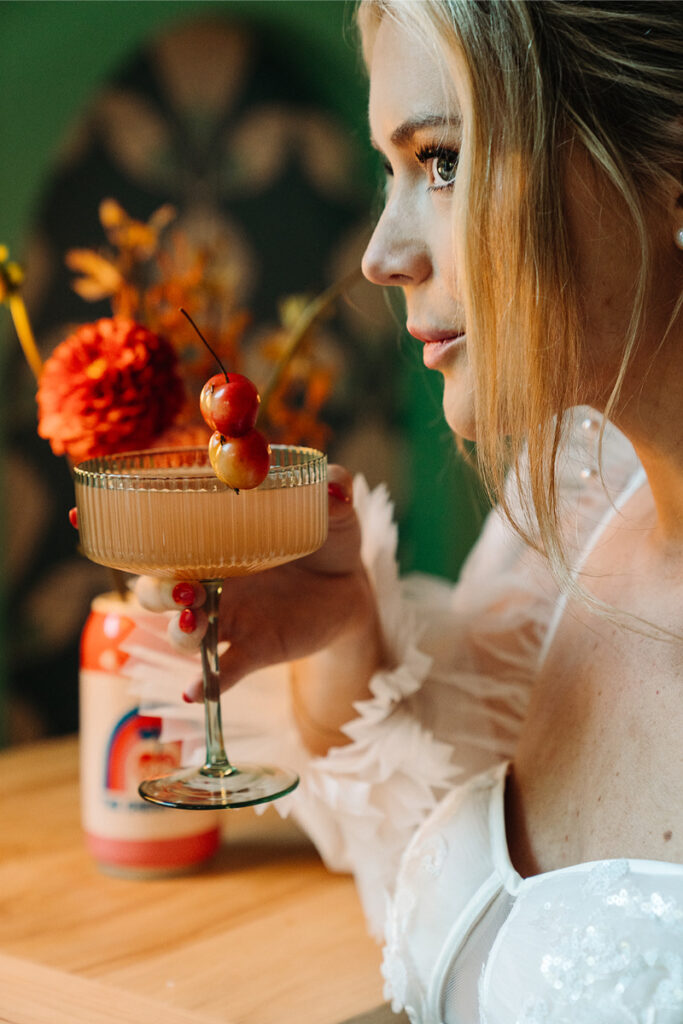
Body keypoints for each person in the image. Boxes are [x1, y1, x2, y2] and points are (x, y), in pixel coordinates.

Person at [130, 2, 683, 1020]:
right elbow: (484, 923)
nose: (380, 257)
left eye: (438, 160)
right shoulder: (569, 499)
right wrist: (345, 626)